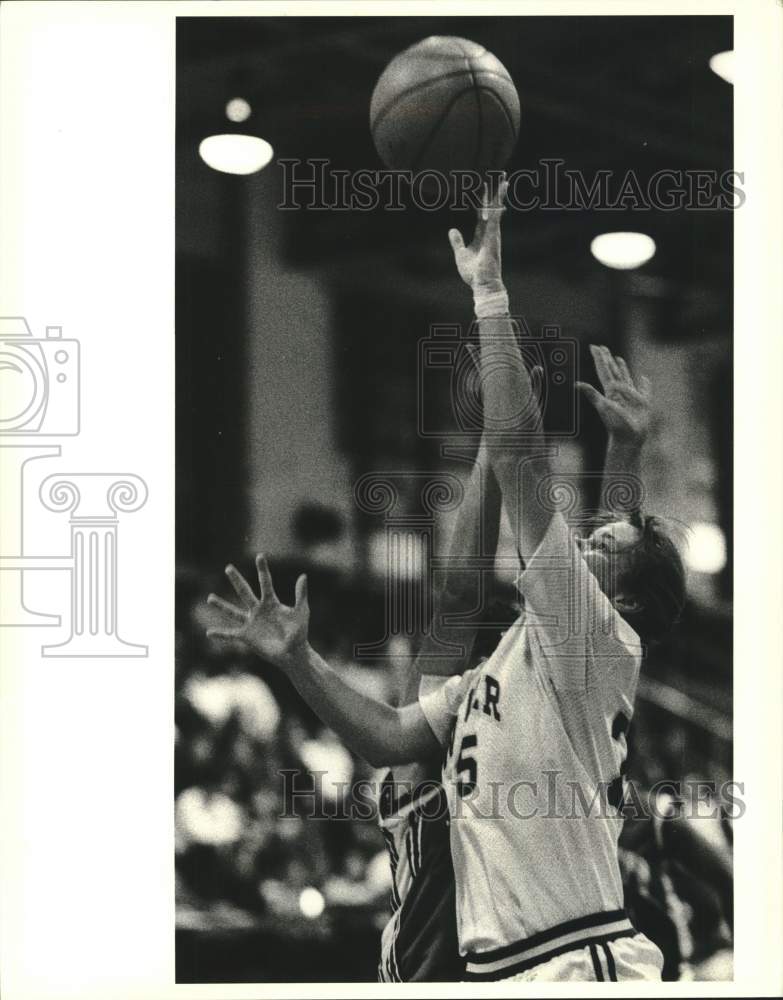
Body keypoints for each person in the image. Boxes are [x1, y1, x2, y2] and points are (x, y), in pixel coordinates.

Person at [207, 178, 687, 982]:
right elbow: (397, 723)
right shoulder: (495, 679)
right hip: (494, 965)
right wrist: (296, 657)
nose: (576, 543)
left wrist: (491, 300)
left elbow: (535, 561)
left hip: (566, 955)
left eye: (594, 546)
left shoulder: (583, 641)